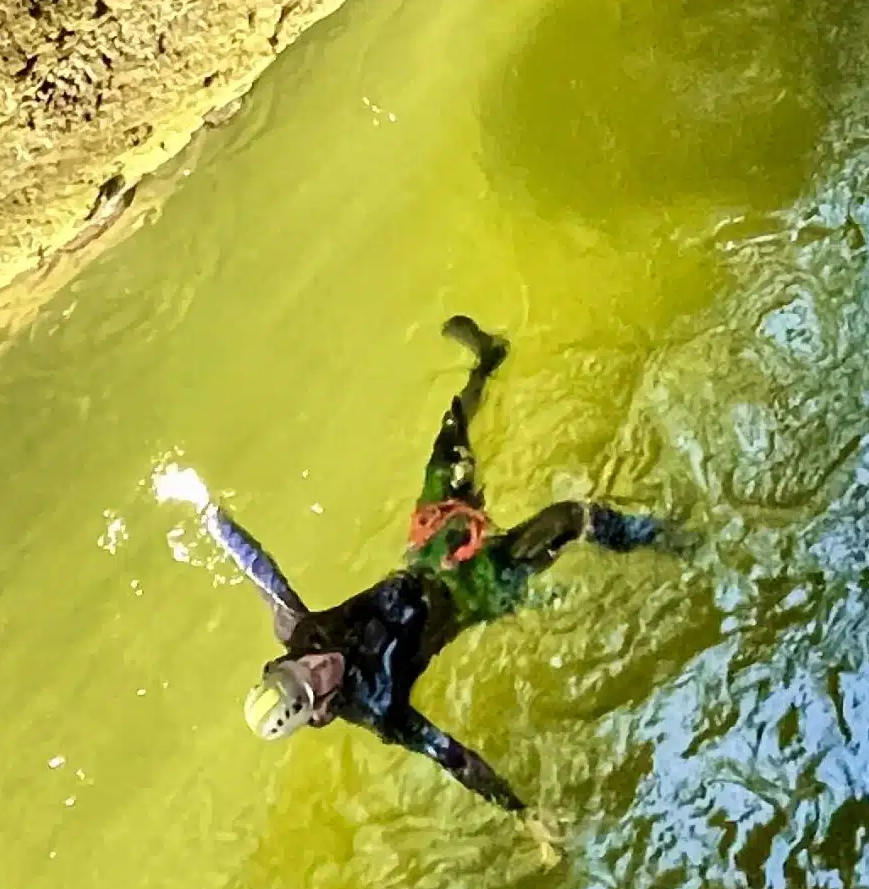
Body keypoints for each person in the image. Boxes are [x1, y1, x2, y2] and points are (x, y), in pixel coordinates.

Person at [190, 315, 676, 811]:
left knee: (451, 438)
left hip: (430, 549)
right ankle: (669, 541)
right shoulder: (381, 708)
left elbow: (258, 569)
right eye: (314, 683)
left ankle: (489, 360)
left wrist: (208, 514)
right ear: (320, 713)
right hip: (477, 591)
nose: (318, 665)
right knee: (569, 518)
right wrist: (522, 814)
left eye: (300, 667)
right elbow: (453, 758)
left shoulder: (302, 632)